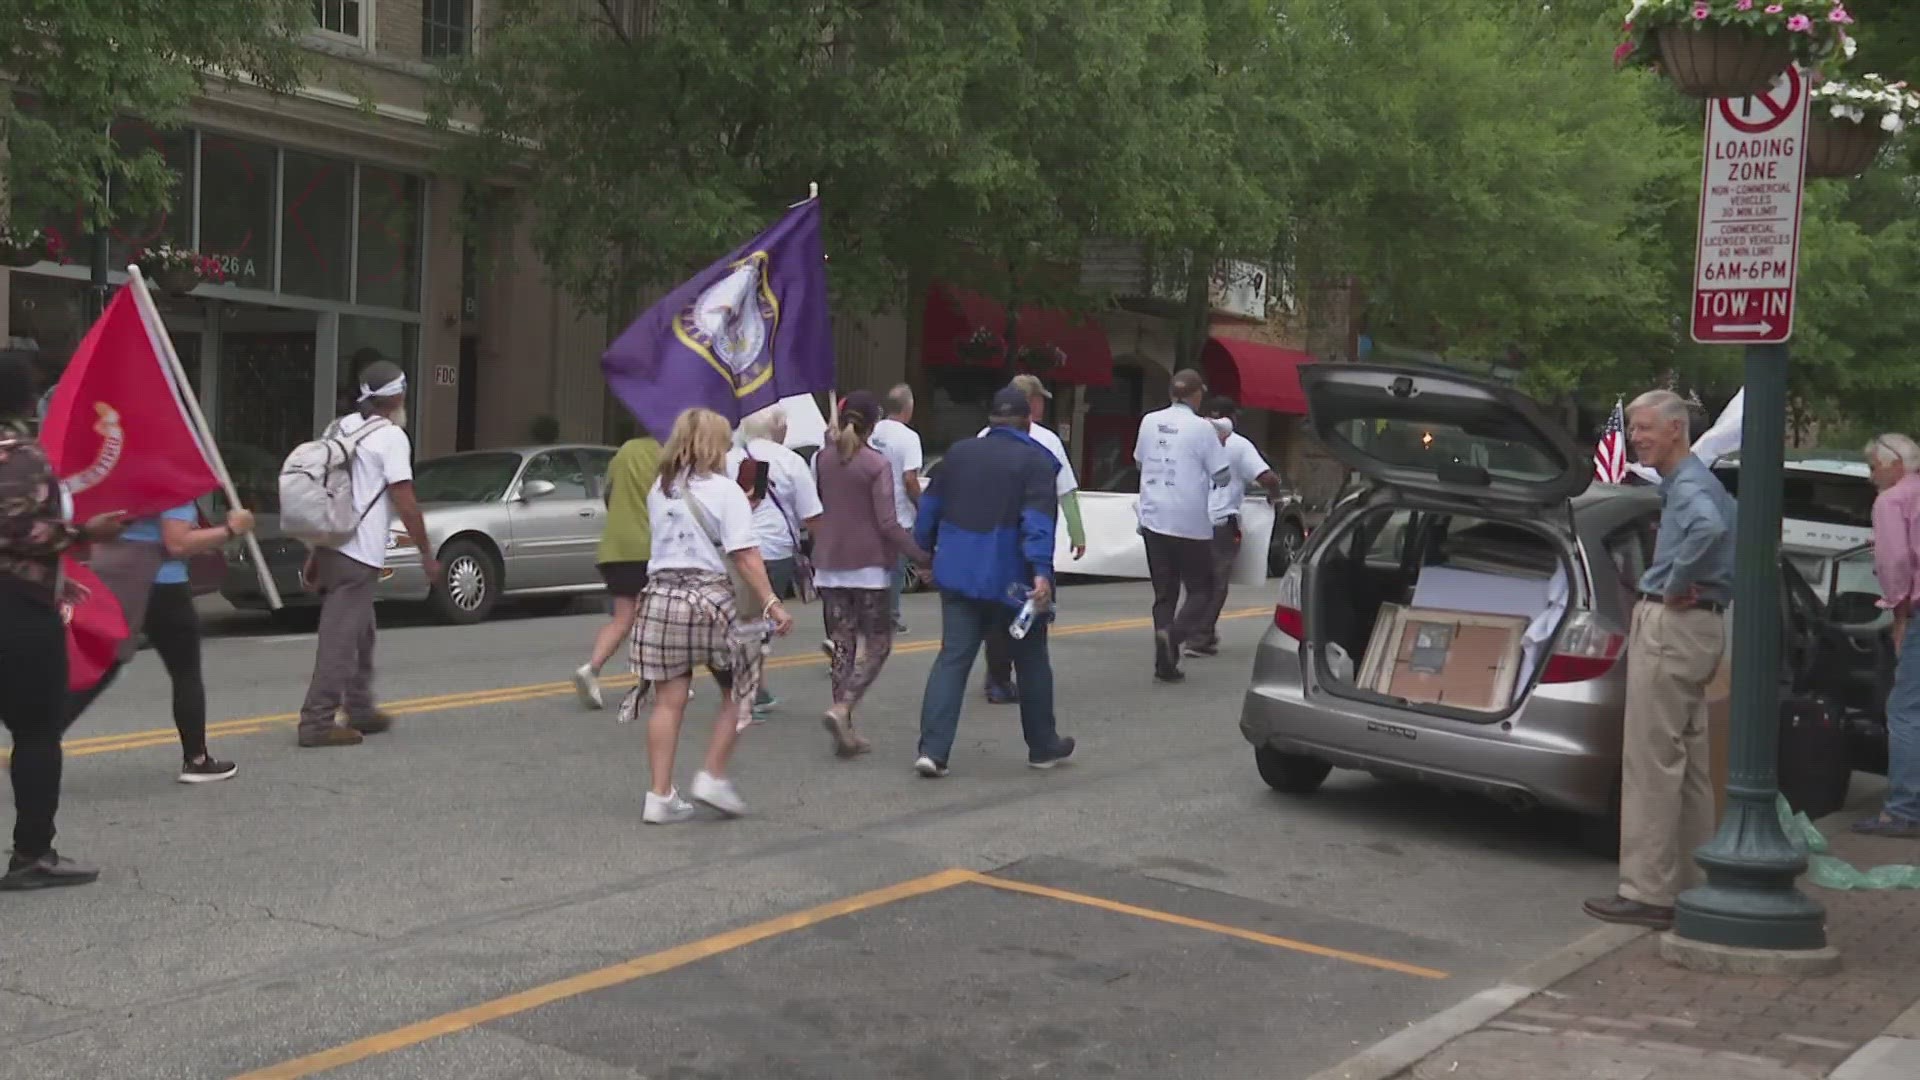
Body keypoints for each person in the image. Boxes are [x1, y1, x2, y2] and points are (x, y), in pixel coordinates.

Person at [1584, 389, 1734, 930]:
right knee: (1690, 763)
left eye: (1646, 428)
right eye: (1634, 429)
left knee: (1650, 762)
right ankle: (1692, 882)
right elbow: (1730, 533)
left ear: (1677, 429)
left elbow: (1711, 531)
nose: (1637, 438)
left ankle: (1648, 891)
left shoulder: (1690, 486)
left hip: (1672, 626)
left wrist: (1675, 581)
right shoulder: (1704, 484)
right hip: (1702, 626)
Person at [629, 408, 793, 824]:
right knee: (741, 690)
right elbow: (745, 555)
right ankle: (713, 776)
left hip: (660, 599)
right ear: (714, 444)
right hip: (708, 603)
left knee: (668, 700)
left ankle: (659, 795)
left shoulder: (659, 489)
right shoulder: (725, 491)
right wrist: (772, 602)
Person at [0, 354, 125, 889]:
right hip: (17, 613)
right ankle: (32, 854)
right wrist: (82, 533)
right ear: (28, 402)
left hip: (24, 591)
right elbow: (16, 528)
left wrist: (54, 575)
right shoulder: (22, 457)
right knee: (35, 733)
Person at [912, 387, 1076, 778]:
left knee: (952, 658)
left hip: (958, 573)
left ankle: (933, 751)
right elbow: (1037, 521)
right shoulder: (1038, 461)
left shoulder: (957, 454)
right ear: (1029, 421)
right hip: (1012, 580)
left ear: (991, 419)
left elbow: (928, 510)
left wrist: (923, 555)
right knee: (1031, 660)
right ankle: (1042, 747)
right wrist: (1041, 572)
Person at [296, 359, 437, 749]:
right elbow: (404, 498)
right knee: (341, 637)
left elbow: (325, 489)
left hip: (334, 544)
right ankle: (317, 722)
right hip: (359, 552)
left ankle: (359, 708)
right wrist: (426, 552)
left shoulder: (340, 427)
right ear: (397, 396)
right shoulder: (391, 436)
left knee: (362, 630)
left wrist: (315, 551)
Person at [66, 501, 257, 782]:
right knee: (185, 671)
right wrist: (230, 530)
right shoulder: (170, 481)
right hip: (162, 583)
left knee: (105, 662)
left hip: (112, 572)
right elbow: (177, 543)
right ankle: (196, 759)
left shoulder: (115, 469)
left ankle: (37, 739)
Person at [812, 392, 929, 757]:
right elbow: (888, 523)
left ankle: (845, 728)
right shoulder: (875, 464)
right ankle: (843, 707)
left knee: (843, 645)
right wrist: (921, 555)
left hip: (829, 563)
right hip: (869, 566)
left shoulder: (821, 459)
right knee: (878, 644)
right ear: (874, 424)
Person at [978, 374, 1085, 704]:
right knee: (1029, 609)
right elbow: (1065, 490)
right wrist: (1077, 532)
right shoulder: (1048, 441)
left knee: (996, 610)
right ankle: (1028, 681)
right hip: (1031, 539)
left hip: (989, 537)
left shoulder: (984, 436)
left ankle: (997, 677)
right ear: (1032, 402)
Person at [726, 404, 823, 718]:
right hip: (775, 550)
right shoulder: (791, 461)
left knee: (747, 619)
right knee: (758, 624)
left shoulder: (729, 460)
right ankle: (748, 691)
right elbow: (812, 514)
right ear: (777, 428)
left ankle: (754, 686)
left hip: (736, 549)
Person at [1134, 369, 1230, 683]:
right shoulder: (1203, 429)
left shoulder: (1149, 421)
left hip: (1152, 517)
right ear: (1196, 394)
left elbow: (1139, 460)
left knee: (1164, 593)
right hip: (1189, 521)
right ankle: (1173, 637)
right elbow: (1222, 475)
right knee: (1202, 588)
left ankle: (1165, 662)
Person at [1857, 433, 1920, 837]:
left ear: (1895, 464)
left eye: (1872, 466)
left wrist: (1899, 613)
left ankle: (1901, 810)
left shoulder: (1891, 500)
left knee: (1905, 708)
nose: (1870, 475)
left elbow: (1896, 561)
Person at [573, 433, 663, 710]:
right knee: (658, 618)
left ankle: (592, 667)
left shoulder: (624, 451)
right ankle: (661, 681)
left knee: (624, 618)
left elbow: (609, 496)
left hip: (615, 546)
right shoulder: (669, 453)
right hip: (650, 546)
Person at [1188, 396, 1282, 657]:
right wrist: (1276, 497)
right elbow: (1267, 477)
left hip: (1189, 521)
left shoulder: (1190, 441)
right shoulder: (1239, 445)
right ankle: (1199, 637)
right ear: (1233, 418)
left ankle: (1191, 630)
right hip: (1220, 523)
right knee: (1217, 582)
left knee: (1195, 582)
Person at [868, 384, 922, 635]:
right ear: (908, 409)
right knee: (895, 569)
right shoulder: (908, 438)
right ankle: (889, 616)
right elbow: (910, 479)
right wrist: (921, 506)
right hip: (898, 514)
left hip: (870, 511)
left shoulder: (872, 431)